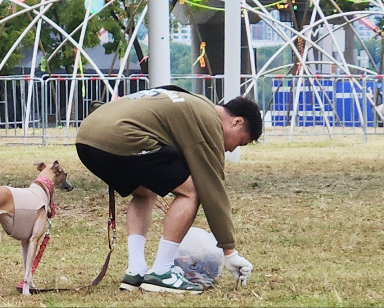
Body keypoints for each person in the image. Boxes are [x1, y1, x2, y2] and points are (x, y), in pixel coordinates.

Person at [75, 86, 262, 293]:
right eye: (240, 141)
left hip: (86, 139)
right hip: (121, 137)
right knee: (192, 191)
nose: (232, 149)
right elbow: (212, 187)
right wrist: (229, 250)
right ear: (237, 121)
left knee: (145, 192)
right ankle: (162, 272)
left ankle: (135, 270)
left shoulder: (191, 101)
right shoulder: (208, 120)